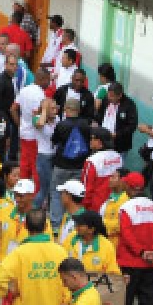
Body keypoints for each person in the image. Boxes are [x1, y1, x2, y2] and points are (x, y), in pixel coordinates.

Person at [0, 209, 68, 305]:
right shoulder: (61, 252)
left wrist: (7, 293)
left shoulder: (18, 253)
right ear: (46, 227)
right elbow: (69, 284)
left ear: (25, 226)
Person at [117, 171, 153, 305]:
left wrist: (141, 252)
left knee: (125, 303)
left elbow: (126, 234)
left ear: (129, 187)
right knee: (148, 304)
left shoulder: (126, 208)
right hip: (150, 263)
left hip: (129, 263)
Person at [49, 99, 91, 231]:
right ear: (79, 110)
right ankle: (73, 223)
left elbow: (54, 140)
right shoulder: (86, 125)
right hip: (79, 165)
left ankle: (56, 225)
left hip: (61, 165)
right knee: (74, 195)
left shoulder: (62, 125)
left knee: (57, 193)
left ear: (66, 109)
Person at [0, 179, 53, 260]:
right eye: (16, 195)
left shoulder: (41, 219)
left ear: (31, 196)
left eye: (21, 196)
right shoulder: (3, 213)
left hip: (25, 265)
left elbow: (47, 246)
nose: (17, 199)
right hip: (4, 263)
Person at [11, 69, 50, 188]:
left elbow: (13, 109)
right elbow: (38, 119)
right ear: (42, 79)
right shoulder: (40, 95)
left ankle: (22, 189)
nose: (49, 83)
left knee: (24, 165)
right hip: (35, 136)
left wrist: (20, 125)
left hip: (24, 133)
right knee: (35, 166)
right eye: (48, 80)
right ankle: (36, 194)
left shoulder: (24, 90)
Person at [81, 127, 122, 212]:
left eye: (92, 138)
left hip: (95, 207)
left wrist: (84, 209)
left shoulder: (91, 161)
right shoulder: (118, 156)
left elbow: (86, 188)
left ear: (100, 142)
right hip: (113, 205)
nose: (90, 141)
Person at [96, 82, 138, 161]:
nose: (109, 98)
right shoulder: (106, 99)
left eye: (112, 96)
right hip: (103, 140)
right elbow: (100, 114)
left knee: (116, 168)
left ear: (119, 95)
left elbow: (132, 126)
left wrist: (117, 134)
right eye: (108, 95)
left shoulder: (129, 105)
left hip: (119, 145)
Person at [100, 167, 129, 249]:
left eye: (113, 177)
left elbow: (121, 224)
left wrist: (100, 225)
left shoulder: (126, 200)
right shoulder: (109, 196)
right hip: (106, 242)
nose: (109, 179)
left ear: (122, 180)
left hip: (117, 245)